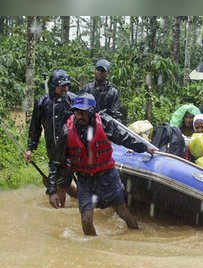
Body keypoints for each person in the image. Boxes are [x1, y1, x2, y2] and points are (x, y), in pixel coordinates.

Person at [49, 93, 154, 236]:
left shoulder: (104, 123)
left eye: (83, 112)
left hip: (107, 176)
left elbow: (123, 137)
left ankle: (137, 235)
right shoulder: (67, 131)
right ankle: (93, 251)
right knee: (86, 220)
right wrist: (52, 191)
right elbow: (57, 162)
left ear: (92, 111)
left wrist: (144, 147)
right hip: (85, 179)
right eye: (76, 111)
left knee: (122, 212)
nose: (79, 116)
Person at [25, 68, 77, 203]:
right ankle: (86, 200)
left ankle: (60, 217)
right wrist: (30, 148)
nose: (65, 88)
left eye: (67, 85)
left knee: (58, 189)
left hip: (70, 152)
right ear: (54, 85)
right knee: (53, 182)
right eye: (62, 86)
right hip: (52, 151)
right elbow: (35, 128)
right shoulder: (42, 102)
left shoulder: (73, 100)